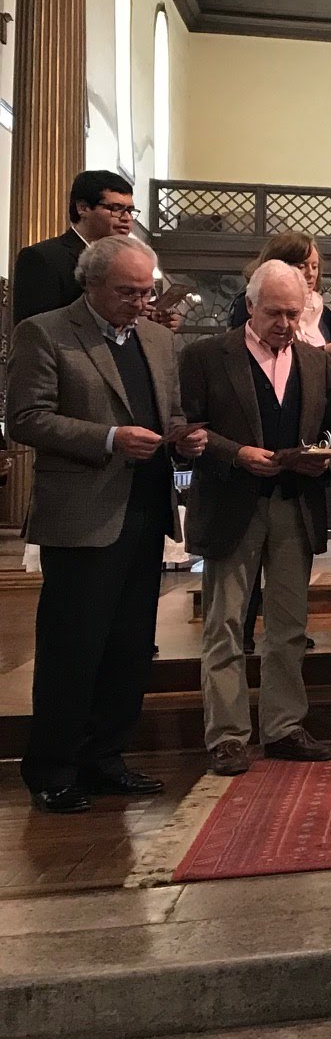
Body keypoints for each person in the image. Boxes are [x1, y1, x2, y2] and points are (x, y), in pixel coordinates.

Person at [6, 236, 206, 812]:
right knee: (73, 647)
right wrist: (110, 438)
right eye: (128, 293)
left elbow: (170, 413)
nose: (141, 303)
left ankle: (106, 757)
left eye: (146, 292)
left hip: (145, 509)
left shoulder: (157, 339)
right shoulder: (46, 332)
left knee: (128, 647)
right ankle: (53, 768)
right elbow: (26, 418)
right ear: (90, 284)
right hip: (83, 514)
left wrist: (183, 439)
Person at [181, 260, 331, 776]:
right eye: (275, 313)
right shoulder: (208, 355)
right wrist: (236, 453)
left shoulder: (315, 361)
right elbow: (185, 428)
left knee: (289, 624)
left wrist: (321, 454)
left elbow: (328, 425)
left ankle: (283, 727)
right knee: (225, 624)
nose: (285, 324)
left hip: (294, 502)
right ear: (250, 306)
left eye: (294, 313)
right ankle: (228, 736)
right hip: (233, 503)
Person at [10, 170, 135, 324]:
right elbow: (33, 329)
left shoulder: (127, 262)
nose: (127, 218)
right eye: (116, 208)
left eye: (130, 210)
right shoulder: (42, 257)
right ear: (83, 208)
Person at [225, 233, 331, 352]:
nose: (311, 274)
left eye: (314, 267)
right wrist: (323, 352)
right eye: (301, 266)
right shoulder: (254, 302)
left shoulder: (323, 312)